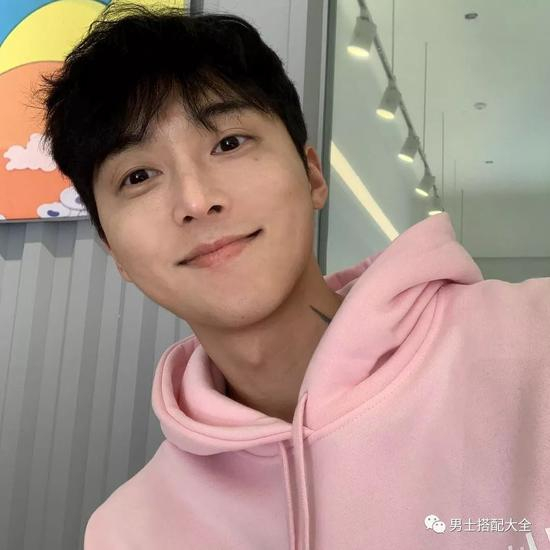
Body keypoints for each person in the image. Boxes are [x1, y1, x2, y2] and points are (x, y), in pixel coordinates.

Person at [40, 4, 550, 549]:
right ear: (113, 250)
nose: (196, 200)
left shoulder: (532, 343)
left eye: (229, 143)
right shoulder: (126, 533)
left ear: (312, 175)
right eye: (138, 175)